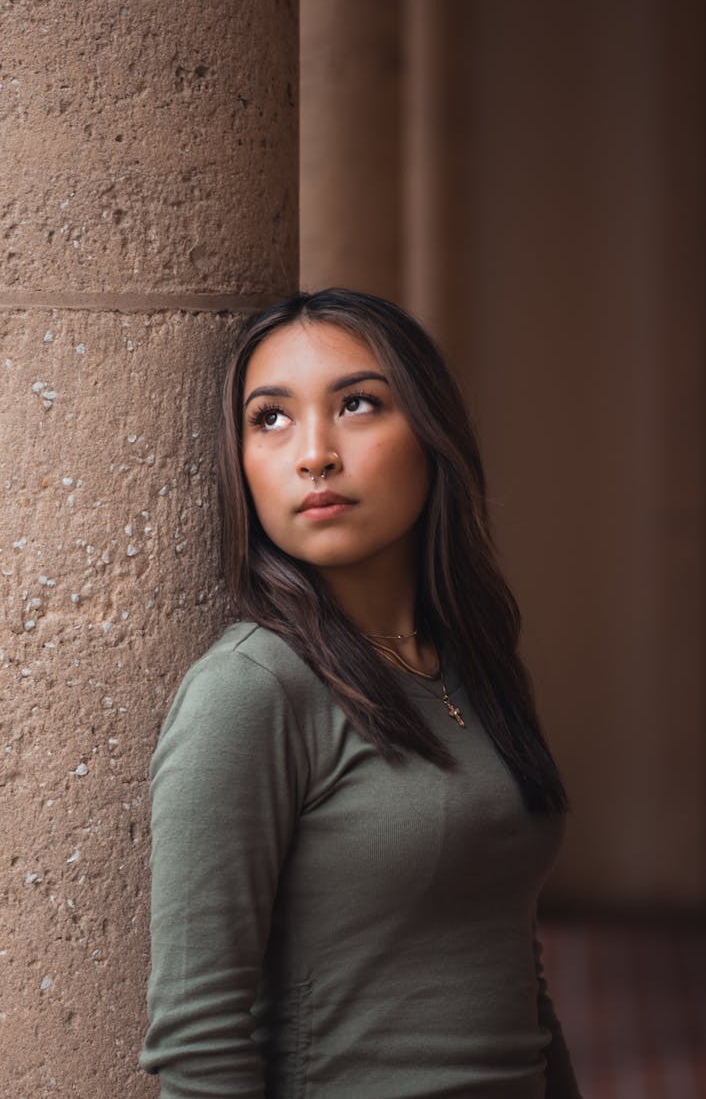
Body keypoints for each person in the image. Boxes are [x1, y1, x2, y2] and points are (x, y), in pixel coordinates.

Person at [139, 288, 581, 1098]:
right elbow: (197, 1042)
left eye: (358, 404)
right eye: (269, 418)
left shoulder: (475, 662)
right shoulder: (250, 691)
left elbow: (515, 970)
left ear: (431, 430)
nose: (314, 453)